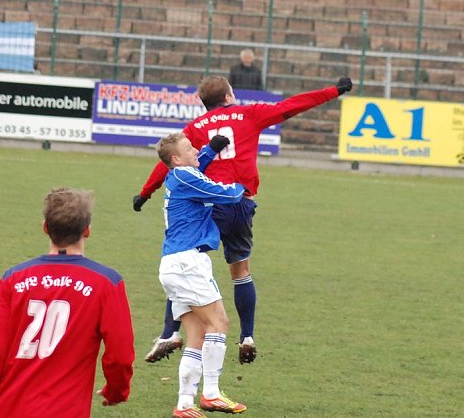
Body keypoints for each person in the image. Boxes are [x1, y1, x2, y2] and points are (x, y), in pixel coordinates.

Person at [133, 75, 353, 365]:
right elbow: (291, 106)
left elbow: (168, 163)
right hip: (241, 203)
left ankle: (169, 332)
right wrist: (333, 91)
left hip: (212, 205)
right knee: (240, 271)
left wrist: (145, 193)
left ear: (205, 102)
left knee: (185, 259)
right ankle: (247, 336)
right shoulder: (249, 113)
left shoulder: (195, 129)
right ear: (228, 97)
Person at [0, 188, 135, 417]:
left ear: (45, 228)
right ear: (87, 230)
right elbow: (120, 356)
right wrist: (116, 391)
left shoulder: (13, 278)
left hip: (7, 409)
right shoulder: (107, 283)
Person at [155, 133, 247, 417]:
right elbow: (228, 195)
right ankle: (211, 394)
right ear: (175, 159)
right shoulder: (184, 176)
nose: (195, 150)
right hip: (187, 263)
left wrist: (208, 150)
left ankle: (184, 404)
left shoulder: (181, 175)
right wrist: (245, 183)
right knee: (218, 323)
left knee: (197, 335)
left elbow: (197, 167)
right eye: (188, 148)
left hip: (176, 263)